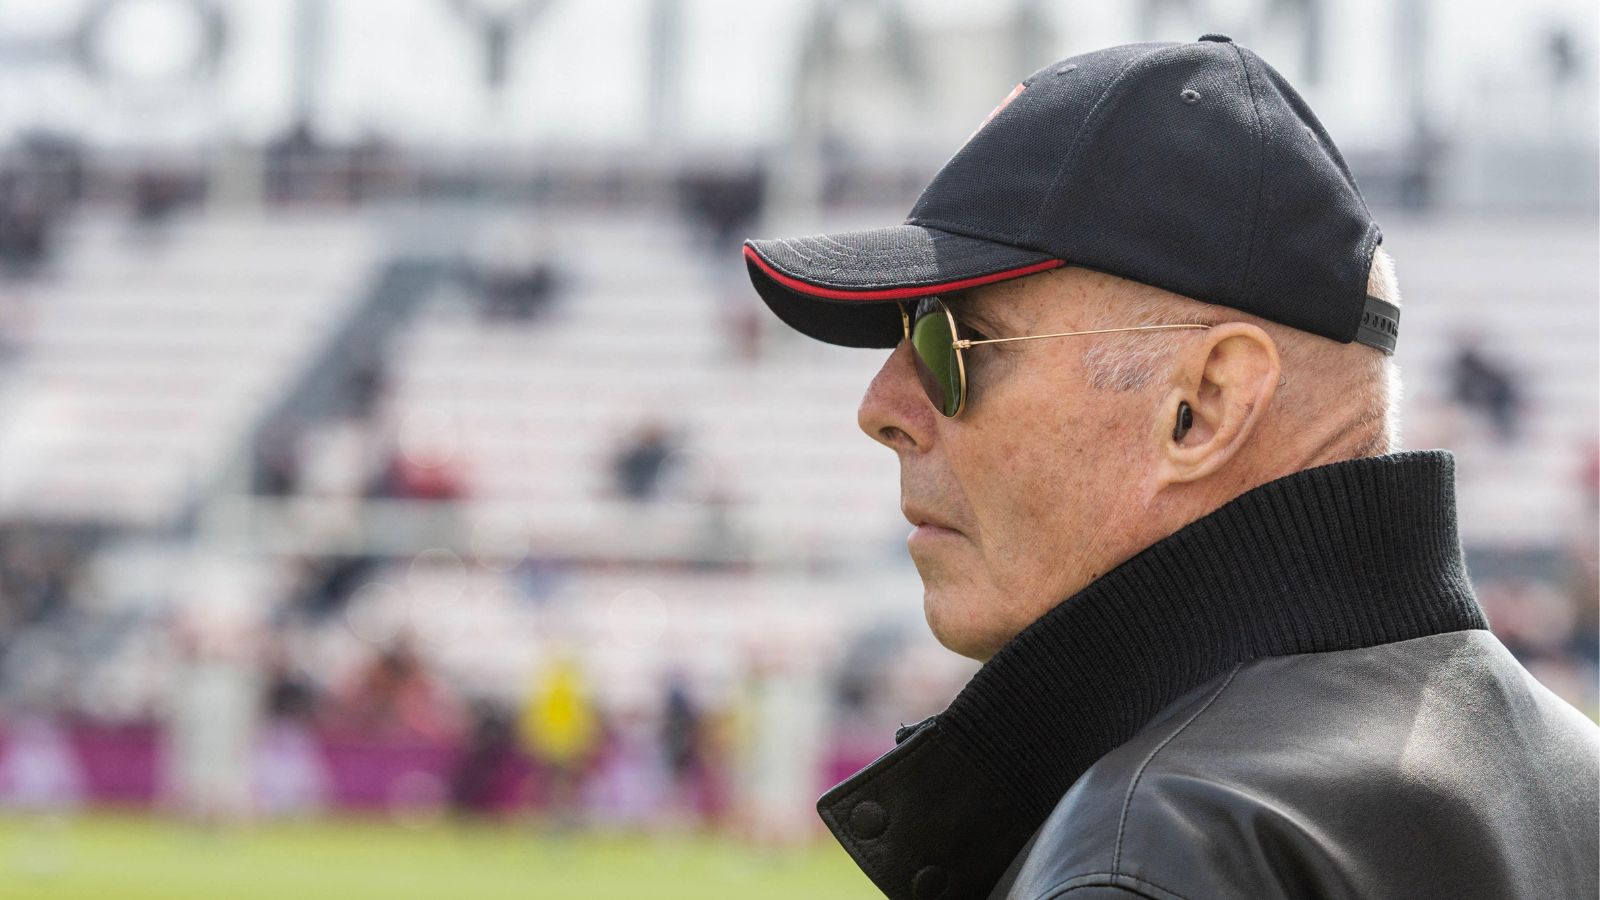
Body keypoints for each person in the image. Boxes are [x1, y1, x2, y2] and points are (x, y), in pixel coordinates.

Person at [740, 36, 1599, 900]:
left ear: (1207, 404)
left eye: (949, 342)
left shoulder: (1155, 850)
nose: (882, 407)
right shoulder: (1576, 773)